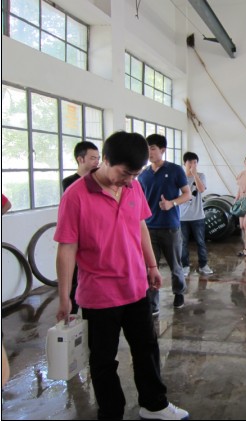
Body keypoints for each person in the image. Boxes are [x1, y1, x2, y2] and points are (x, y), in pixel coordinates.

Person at [53, 131, 189, 420]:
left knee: (147, 349)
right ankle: (111, 413)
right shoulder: (75, 196)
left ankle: (154, 405)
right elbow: (67, 248)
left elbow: (140, 225)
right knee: (103, 361)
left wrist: (152, 266)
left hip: (136, 287)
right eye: (125, 173)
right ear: (105, 160)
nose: (129, 180)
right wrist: (64, 297)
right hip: (99, 294)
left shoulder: (133, 186)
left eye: (135, 174)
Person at [138, 134, 192, 314]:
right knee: (150, 267)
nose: (149, 152)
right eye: (147, 149)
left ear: (162, 150)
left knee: (175, 265)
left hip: (170, 227)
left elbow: (187, 194)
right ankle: (153, 303)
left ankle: (179, 293)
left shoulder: (175, 170)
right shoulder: (143, 174)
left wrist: (172, 203)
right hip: (148, 228)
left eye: (152, 148)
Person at [62, 141, 100, 314]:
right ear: (80, 159)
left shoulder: (99, 182)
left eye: (98, 158)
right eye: (92, 158)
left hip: (95, 237)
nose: (96, 162)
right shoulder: (70, 183)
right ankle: (70, 312)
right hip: (77, 238)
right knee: (74, 277)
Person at [179, 152, 213, 276]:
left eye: (195, 162)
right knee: (183, 243)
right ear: (184, 163)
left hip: (198, 216)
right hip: (182, 217)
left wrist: (195, 175)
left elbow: (201, 189)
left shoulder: (201, 176)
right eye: (190, 162)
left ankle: (203, 265)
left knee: (200, 242)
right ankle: (185, 266)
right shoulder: (180, 177)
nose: (192, 165)